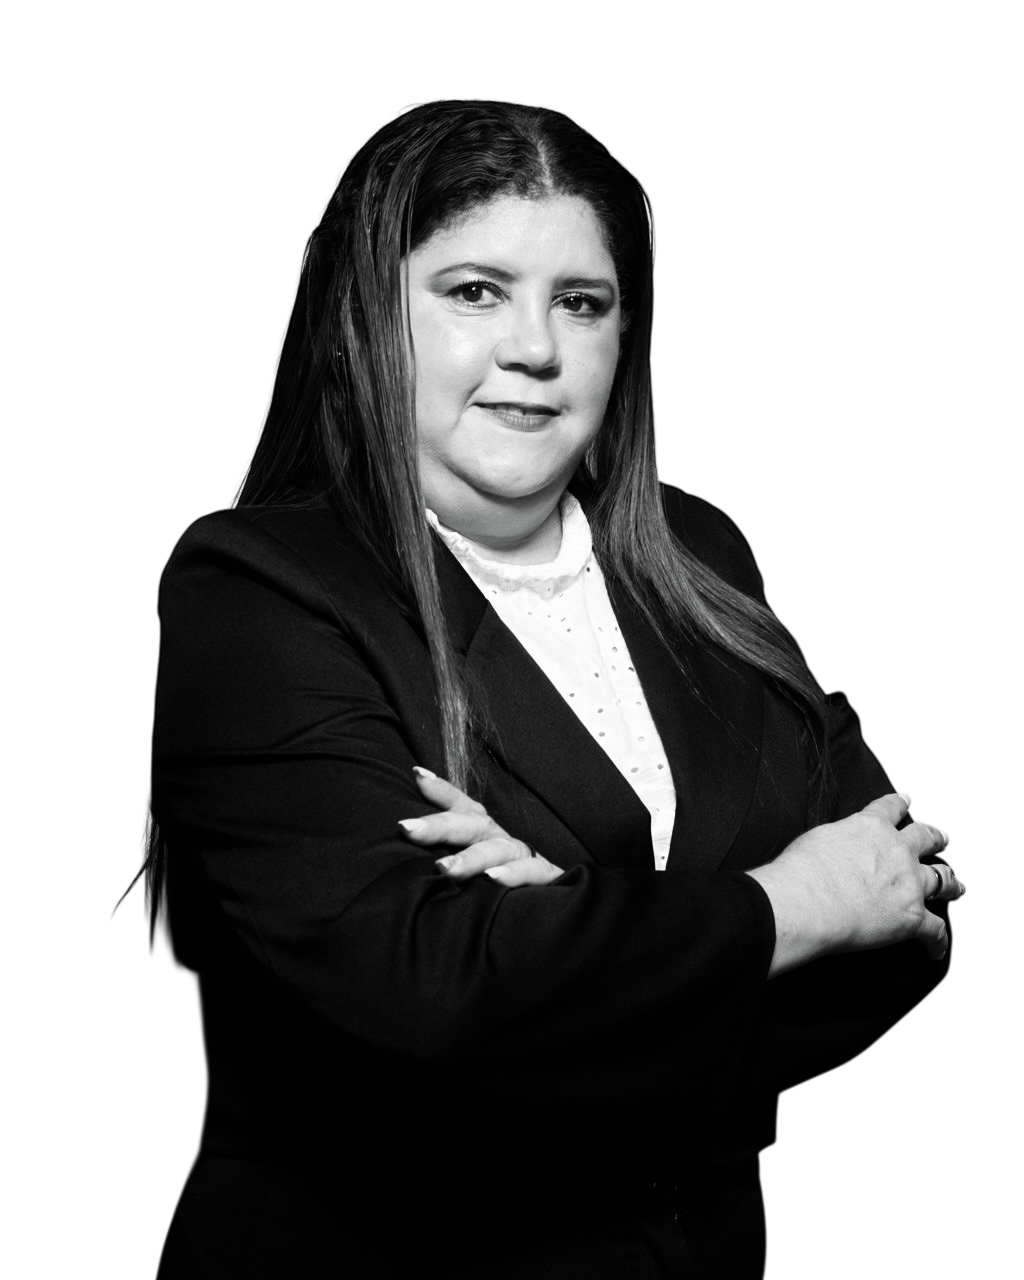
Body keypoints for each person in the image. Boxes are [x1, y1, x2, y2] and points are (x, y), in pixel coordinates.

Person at [151, 99, 963, 1278]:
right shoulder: (259, 589)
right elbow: (423, 984)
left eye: (581, 302)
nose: (534, 347)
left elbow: (904, 913)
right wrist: (783, 908)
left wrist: (561, 932)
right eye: (476, 291)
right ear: (363, 319)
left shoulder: (700, 561)